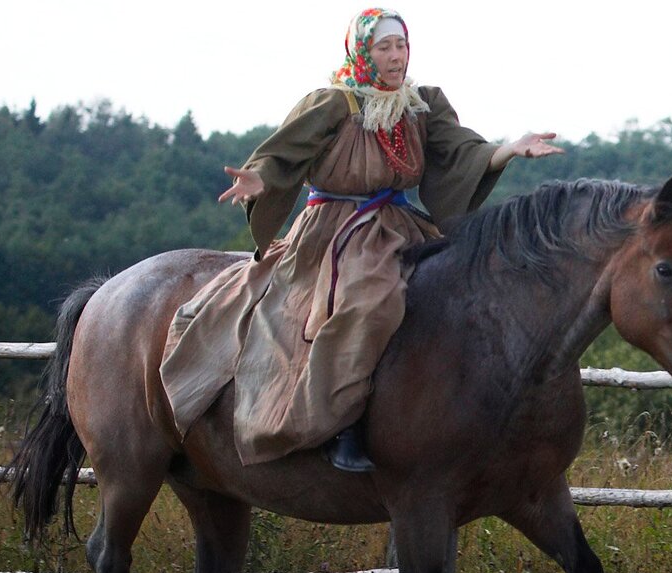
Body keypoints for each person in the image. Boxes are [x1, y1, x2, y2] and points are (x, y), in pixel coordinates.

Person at [159, 7, 562, 471]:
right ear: (362, 52)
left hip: (399, 221)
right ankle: (343, 423)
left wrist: (508, 149)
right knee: (365, 299)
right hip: (335, 226)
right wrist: (260, 180)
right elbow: (281, 151)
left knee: (462, 285)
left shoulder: (420, 103)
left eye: (402, 45)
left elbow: (461, 151)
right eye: (384, 47)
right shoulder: (333, 102)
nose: (396, 56)